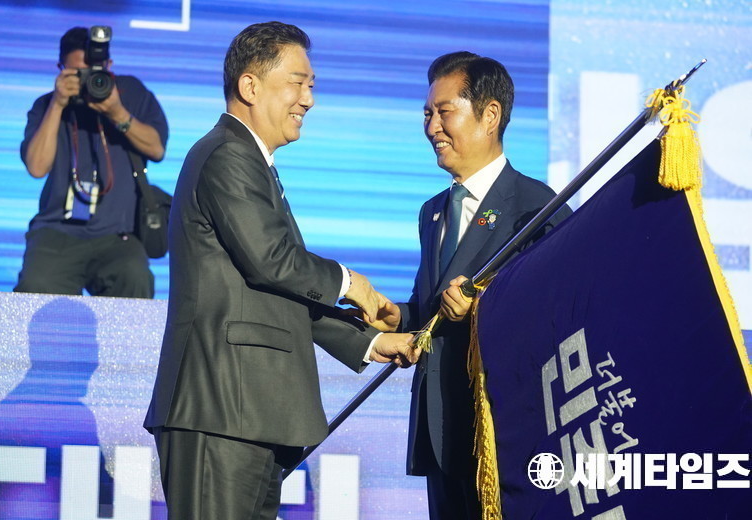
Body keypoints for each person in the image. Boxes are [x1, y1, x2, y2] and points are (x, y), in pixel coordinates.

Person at [143, 22, 419, 519]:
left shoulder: (252, 161)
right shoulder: (227, 154)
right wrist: (351, 283)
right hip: (220, 410)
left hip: (249, 414)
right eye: (298, 82)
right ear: (250, 86)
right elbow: (272, 261)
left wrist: (370, 342)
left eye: (311, 85)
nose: (308, 99)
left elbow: (279, 291)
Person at [366, 52, 573, 518]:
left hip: (501, 429)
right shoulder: (432, 212)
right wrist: (397, 316)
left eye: (444, 112)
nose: (432, 127)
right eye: (427, 114)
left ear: (490, 115)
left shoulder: (535, 207)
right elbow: (433, 310)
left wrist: (482, 305)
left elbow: (562, 311)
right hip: (439, 428)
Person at [15, 26, 168, 298]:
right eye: (77, 73)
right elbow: (37, 167)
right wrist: (58, 104)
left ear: (110, 65)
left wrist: (117, 112)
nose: (88, 81)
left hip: (117, 233)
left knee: (135, 276)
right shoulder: (45, 105)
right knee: (35, 286)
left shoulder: (131, 92)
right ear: (60, 69)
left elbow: (156, 149)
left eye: (95, 73)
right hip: (57, 230)